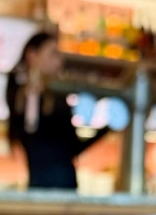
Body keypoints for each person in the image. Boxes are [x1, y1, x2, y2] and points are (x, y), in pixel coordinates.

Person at [6, 32, 109, 190]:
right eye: (53, 54)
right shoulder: (19, 93)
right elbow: (29, 130)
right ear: (32, 55)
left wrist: (108, 126)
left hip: (58, 187)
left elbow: (73, 147)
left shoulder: (59, 96)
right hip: (48, 186)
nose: (59, 62)